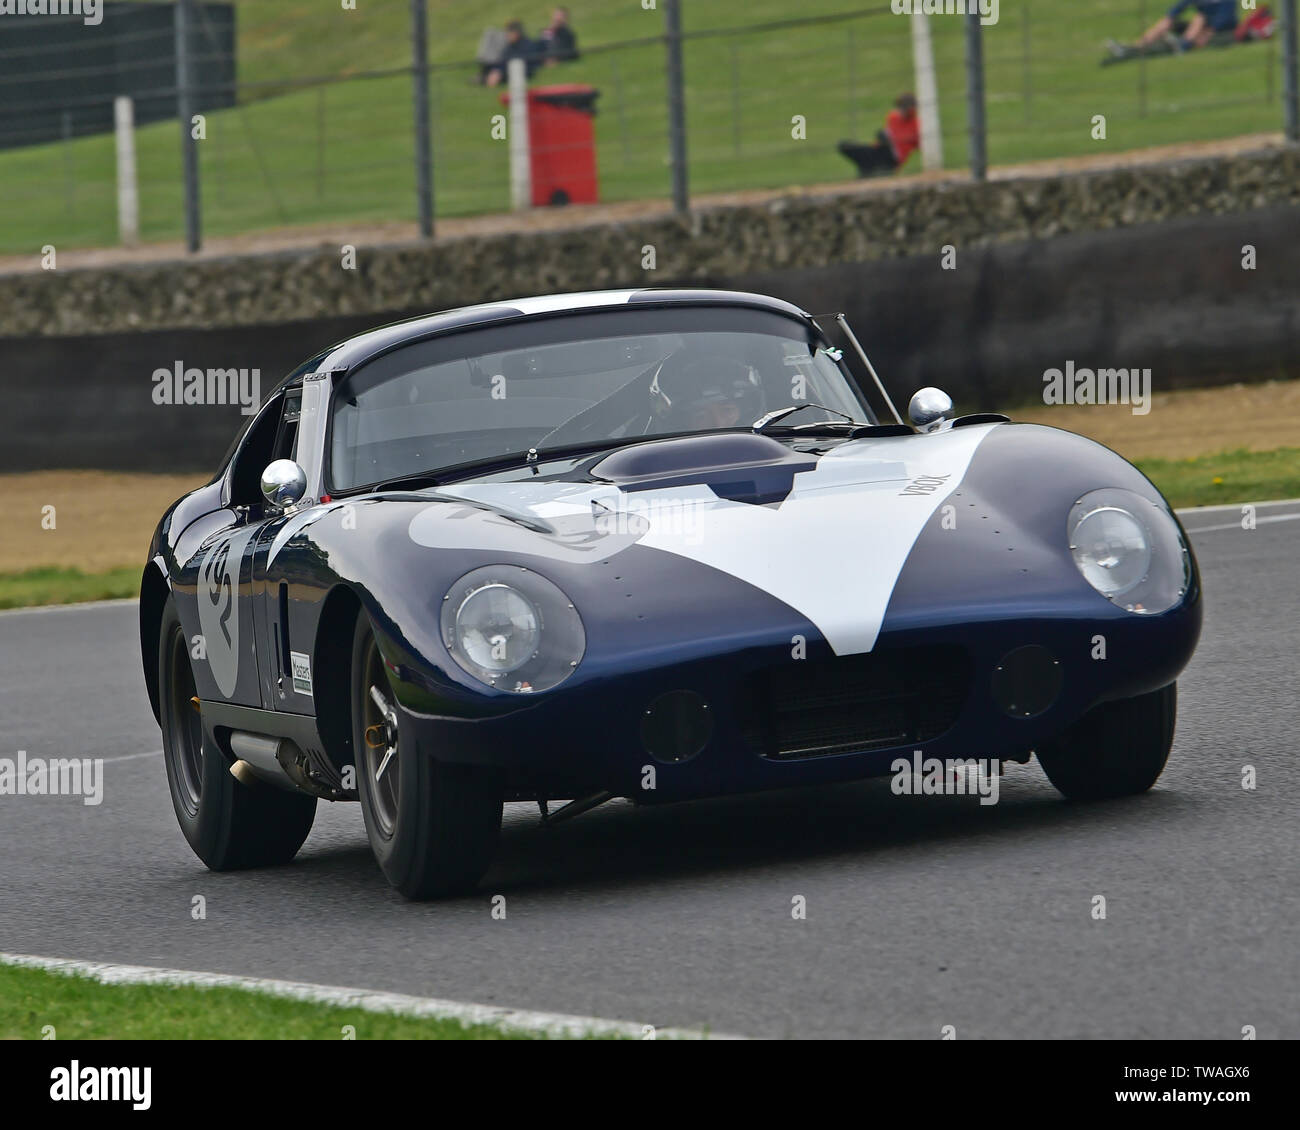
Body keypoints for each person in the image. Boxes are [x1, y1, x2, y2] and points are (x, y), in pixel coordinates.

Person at [836, 93, 920, 180]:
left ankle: (870, 172)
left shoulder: (917, 125)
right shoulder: (893, 116)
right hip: (877, 151)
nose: (901, 112)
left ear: (912, 109)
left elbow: (920, 145)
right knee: (844, 146)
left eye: (905, 108)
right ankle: (865, 171)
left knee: (871, 173)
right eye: (900, 108)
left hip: (891, 160)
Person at [1112, 0, 1239, 55]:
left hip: (1221, 28)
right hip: (1203, 26)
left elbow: (1226, 17)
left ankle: (1184, 44)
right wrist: (1169, 18)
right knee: (1168, 21)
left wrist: (1209, 32)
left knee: (1199, 17)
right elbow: (1179, 7)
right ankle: (1138, 45)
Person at [484, 21, 541, 87]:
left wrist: (500, 74)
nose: (507, 36)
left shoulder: (527, 46)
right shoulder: (510, 46)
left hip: (521, 72)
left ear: (516, 33)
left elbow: (524, 66)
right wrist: (496, 71)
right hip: (507, 72)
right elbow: (502, 61)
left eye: (508, 33)